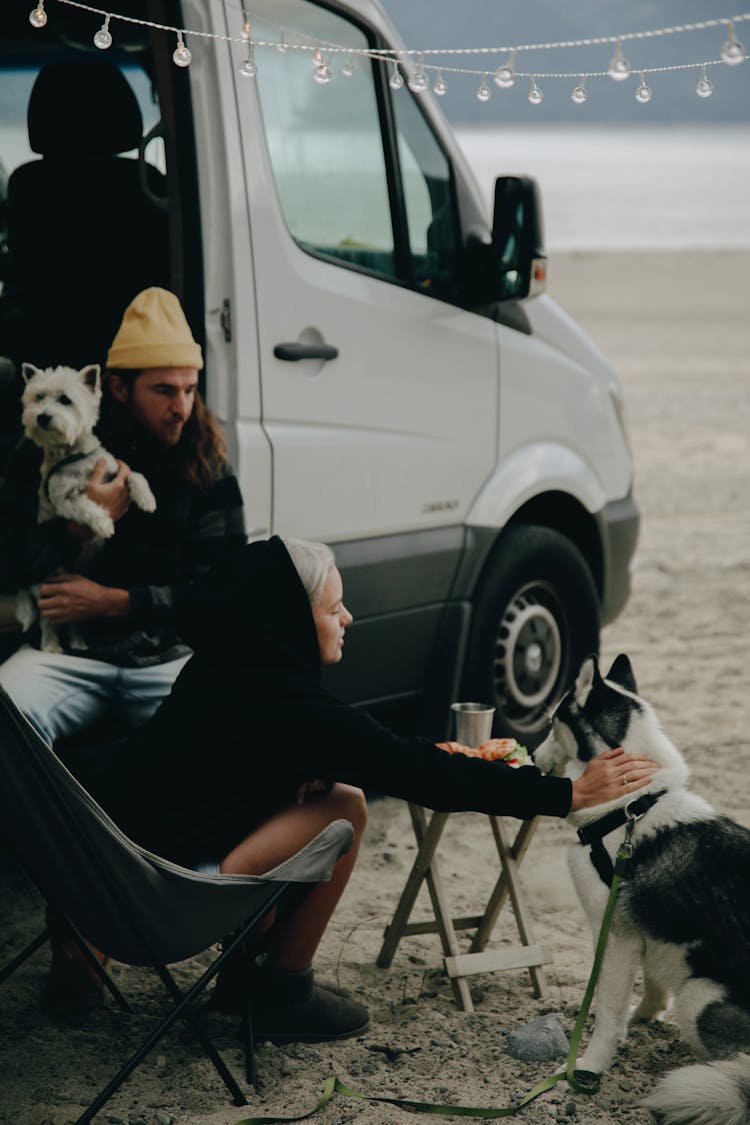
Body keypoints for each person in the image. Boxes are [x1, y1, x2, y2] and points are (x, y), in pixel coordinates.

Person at [77, 535, 657, 1043]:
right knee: (346, 808)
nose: (348, 617)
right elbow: (419, 772)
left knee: (307, 791)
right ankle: (281, 992)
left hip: (109, 883)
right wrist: (567, 796)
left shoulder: (218, 670)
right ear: (291, 620)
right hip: (175, 903)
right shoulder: (295, 710)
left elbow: (215, 772)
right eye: (335, 608)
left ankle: (229, 981)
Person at [0, 287, 246, 747]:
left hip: (169, 656)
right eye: (164, 391)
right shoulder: (47, 445)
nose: (182, 408)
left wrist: (115, 601)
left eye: (190, 390)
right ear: (117, 388)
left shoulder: (208, 463)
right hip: (69, 654)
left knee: (238, 731)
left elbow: (226, 591)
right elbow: (10, 559)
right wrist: (74, 528)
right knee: (6, 713)